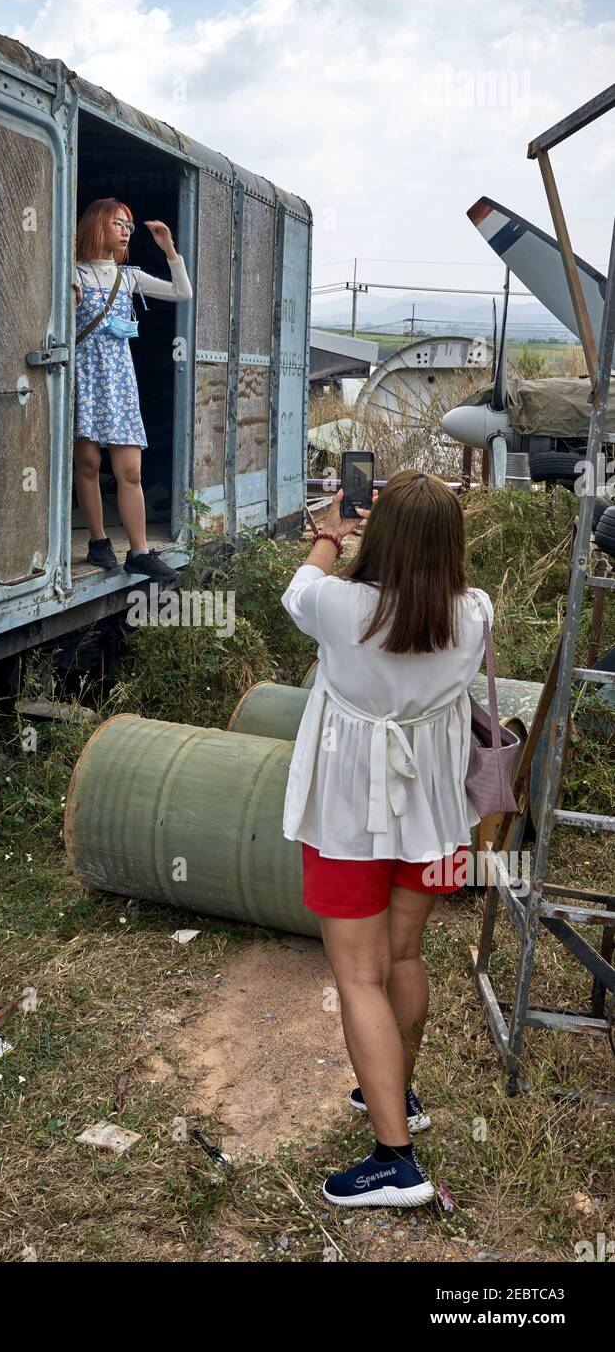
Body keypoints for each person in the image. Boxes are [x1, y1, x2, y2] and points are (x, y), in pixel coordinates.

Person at [280, 470, 493, 1209]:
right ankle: (400, 1094)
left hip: (349, 818)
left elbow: (298, 592)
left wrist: (334, 536)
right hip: (434, 820)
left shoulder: (340, 608)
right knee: (403, 957)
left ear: (385, 535)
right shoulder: (476, 612)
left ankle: (395, 1161)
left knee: (358, 976)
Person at [72, 197, 193, 581]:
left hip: (120, 383)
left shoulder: (131, 278)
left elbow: (182, 292)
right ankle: (98, 542)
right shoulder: (73, 273)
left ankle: (139, 550)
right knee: (88, 464)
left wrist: (168, 248)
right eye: (118, 223)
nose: (126, 230)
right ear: (96, 226)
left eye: (129, 225)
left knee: (130, 471)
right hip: (84, 378)